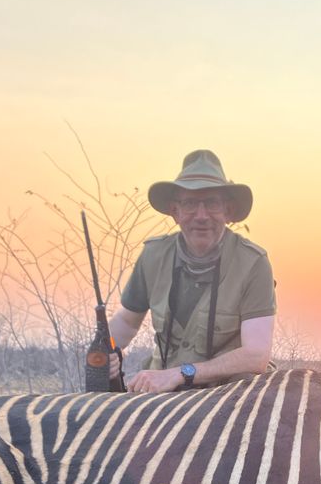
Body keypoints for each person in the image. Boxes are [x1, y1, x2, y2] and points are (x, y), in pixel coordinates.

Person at [108, 150, 276, 393]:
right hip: (162, 392)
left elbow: (256, 355)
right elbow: (126, 321)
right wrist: (106, 350)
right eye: (189, 204)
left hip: (228, 394)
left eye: (211, 203)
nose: (201, 216)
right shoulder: (153, 256)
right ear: (175, 211)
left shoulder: (253, 262)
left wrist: (180, 374)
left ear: (228, 211)